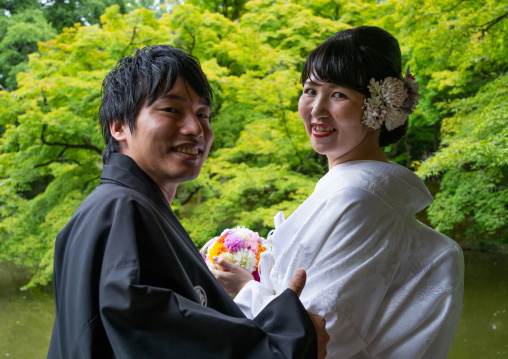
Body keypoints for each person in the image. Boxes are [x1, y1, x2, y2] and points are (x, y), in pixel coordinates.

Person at [48, 45, 329, 358]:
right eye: (171, 110)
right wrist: (292, 337)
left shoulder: (126, 208)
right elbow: (148, 334)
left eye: (203, 114)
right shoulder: (120, 209)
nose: (196, 129)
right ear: (118, 126)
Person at [211, 26, 464, 358]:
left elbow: (320, 334)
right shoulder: (363, 196)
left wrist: (247, 290)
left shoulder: (357, 199)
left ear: (381, 108)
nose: (316, 109)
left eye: (338, 94)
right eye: (310, 91)